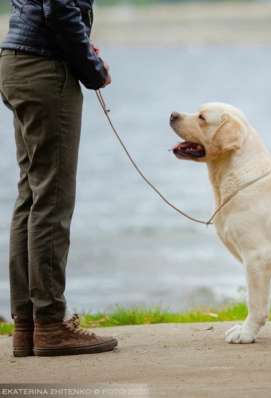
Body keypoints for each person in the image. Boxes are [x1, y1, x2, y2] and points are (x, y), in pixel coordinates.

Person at [0, 0, 117, 357]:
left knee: (31, 198)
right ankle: (50, 326)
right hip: (45, 70)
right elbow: (60, 8)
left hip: (16, 62)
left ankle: (27, 326)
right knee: (51, 199)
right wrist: (93, 68)